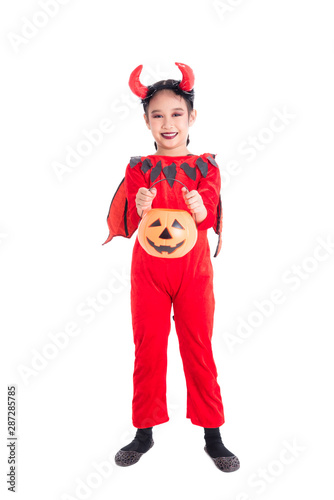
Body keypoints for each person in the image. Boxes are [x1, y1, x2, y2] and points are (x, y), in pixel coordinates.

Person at [103, 62, 240, 472]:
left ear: (191, 117)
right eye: (157, 115)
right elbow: (132, 204)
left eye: (176, 113)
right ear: (146, 122)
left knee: (198, 348)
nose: (168, 123)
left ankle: (212, 435)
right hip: (148, 271)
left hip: (193, 272)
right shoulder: (138, 167)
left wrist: (202, 207)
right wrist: (138, 203)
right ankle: (143, 432)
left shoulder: (206, 166)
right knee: (148, 349)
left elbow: (209, 211)